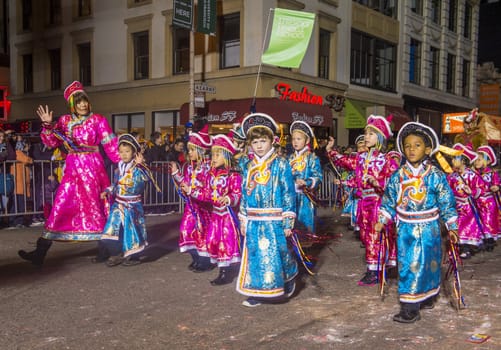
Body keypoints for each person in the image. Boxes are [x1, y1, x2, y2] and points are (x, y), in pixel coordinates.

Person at [18, 81, 120, 266]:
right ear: (72, 103)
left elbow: (111, 144)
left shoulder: (98, 120)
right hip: (72, 171)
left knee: (97, 208)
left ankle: (106, 250)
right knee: (60, 207)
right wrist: (48, 125)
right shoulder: (64, 121)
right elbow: (51, 143)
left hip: (93, 170)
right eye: (78, 101)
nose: (82, 105)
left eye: (85, 101)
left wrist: (124, 163)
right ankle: (40, 252)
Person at [375, 122, 459, 323]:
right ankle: (410, 307)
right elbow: (388, 200)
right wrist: (382, 220)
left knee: (430, 264)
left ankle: (428, 294)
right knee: (410, 266)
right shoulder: (398, 176)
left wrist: (452, 226)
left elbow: (446, 201)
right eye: (408, 145)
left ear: (428, 149)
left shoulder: (436, 176)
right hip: (406, 230)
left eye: (417, 145)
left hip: (430, 228)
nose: (412, 149)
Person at [326, 115, 400, 286]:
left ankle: (374, 271)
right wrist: (331, 150)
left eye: (371, 134)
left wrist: (378, 182)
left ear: (380, 137)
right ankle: (378, 267)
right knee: (367, 237)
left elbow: (395, 182)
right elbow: (345, 161)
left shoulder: (387, 160)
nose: (366, 137)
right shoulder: (361, 158)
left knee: (376, 236)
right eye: (366, 134)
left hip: (378, 204)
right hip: (363, 204)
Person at [236, 113, 297, 307]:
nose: (259, 145)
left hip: (274, 219)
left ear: (272, 141)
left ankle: (288, 276)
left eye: (263, 141)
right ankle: (257, 291)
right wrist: (243, 217)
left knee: (279, 253)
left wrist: (288, 220)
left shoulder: (281, 164)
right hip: (254, 220)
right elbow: (245, 193)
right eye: (255, 142)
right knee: (255, 254)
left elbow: (288, 193)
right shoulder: (248, 166)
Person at [97, 134, 160, 267]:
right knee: (112, 229)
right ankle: (116, 254)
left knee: (133, 231)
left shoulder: (139, 167)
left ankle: (134, 256)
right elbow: (116, 184)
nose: (124, 154)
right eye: (121, 152)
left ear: (134, 153)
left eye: (127, 151)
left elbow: (148, 178)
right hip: (118, 204)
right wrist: (107, 191)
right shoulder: (118, 168)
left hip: (132, 205)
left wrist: (141, 165)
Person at [191, 133, 242, 285]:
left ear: (226, 156)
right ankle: (224, 268)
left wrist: (229, 199)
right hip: (216, 215)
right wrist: (192, 191)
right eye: (213, 154)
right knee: (213, 240)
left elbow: (237, 193)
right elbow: (207, 193)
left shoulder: (233, 175)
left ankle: (225, 273)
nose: (213, 158)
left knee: (225, 243)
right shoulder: (211, 174)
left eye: (217, 154)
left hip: (228, 217)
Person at [170, 125, 213, 272]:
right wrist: (176, 174)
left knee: (202, 234)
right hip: (191, 207)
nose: (190, 152)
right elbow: (186, 184)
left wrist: (192, 191)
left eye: (193, 149)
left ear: (201, 150)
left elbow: (208, 190)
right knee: (185, 231)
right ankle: (196, 258)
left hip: (203, 209)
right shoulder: (189, 167)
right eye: (189, 149)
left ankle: (205, 261)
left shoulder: (208, 168)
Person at [447, 143, 484, 259]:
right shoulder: (452, 176)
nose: (453, 160)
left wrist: (471, 191)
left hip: (468, 206)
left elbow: (480, 188)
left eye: (455, 158)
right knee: (457, 227)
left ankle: (467, 248)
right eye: (452, 158)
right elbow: (447, 189)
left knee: (468, 227)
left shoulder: (472, 175)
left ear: (463, 160)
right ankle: (458, 247)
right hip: (456, 206)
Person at [288, 121, 322, 234]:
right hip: (291, 197)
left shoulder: (312, 158)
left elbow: (318, 176)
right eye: (293, 139)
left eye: (299, 139)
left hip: (305, 197)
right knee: (292, 225)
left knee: (305, 225)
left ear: (307, 141)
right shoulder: (289, 158)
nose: (295, 142)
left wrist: (307, 182)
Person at [472, 145, 499, 251]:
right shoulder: (473, 174)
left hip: (489, 202)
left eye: (479, 160)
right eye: (475, 160)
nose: (476, 162)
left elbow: (497, 183)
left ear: (487, 161)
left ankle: (490, 240)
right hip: (477, 202)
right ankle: (481, 239)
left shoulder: (492, 173)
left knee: (489, 221)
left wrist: (496, 186)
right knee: (480, 221)